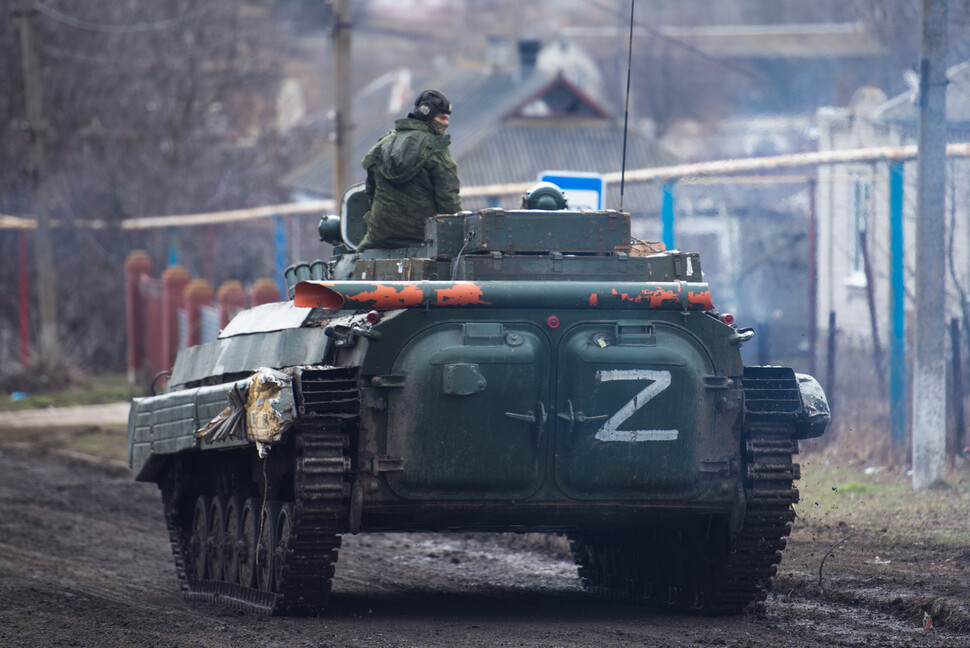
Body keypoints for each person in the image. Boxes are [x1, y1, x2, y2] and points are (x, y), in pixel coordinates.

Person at [357, 90, 462, 250]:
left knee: (359, 258)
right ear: (426, 115)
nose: (446, 124)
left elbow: (370, 193)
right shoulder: (436, 148)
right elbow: (449, 201)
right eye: (442, 118)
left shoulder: (383, 145)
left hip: (380, 238)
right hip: (425, 238)